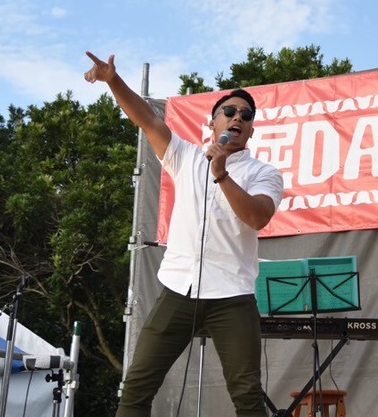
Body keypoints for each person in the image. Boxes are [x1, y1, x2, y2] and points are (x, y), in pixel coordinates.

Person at [84, 51, 283, 417]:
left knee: (248, 397)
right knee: (136, 389)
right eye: (230, 111)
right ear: (213, 121)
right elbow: (147, 119)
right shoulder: (187, 156)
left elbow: (257, 217)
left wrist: (221, 173)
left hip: (232, 296)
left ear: (251, 130)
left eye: (246, 116)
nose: (238, 117)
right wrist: (113, 80)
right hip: (179, 289)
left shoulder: (263, 173)